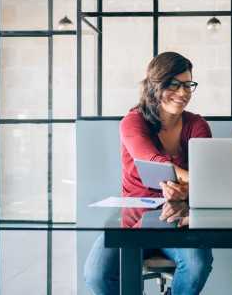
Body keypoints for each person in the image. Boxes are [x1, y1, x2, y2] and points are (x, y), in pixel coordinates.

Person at [84, 52, 213, 295]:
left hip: (181, 220)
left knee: (197, 264)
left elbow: (205, 172)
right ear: (155, 85)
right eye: (174, 84)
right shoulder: (133, 121)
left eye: (188, 85)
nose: (183, 92)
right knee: (97, 274)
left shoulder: (197, 125)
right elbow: (151, 161)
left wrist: (187, 188)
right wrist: (193, 180)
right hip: (134, 220)